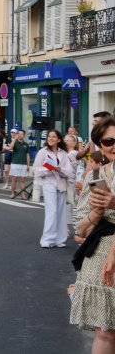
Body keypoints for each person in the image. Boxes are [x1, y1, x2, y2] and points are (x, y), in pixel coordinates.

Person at [69, 115, 115, 348]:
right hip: (98, 255)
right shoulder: (95, 176)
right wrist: (96, 214)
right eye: (108, 141)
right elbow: (82, 230)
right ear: (100, 145)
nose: (114, 145)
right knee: (104, 332)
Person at [33, 130, 74, 248]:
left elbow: (69, 170)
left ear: (59, 140)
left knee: (61, 212)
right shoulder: (42, 152)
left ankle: (59, 239)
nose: (50, 138)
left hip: (61, 184)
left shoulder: (63, 153)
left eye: (53, 137)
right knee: (52, 211)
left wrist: (59, 169)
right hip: (48, 183)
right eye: (49, 137)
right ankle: (47, 239)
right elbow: (36, 169)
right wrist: (48, 169)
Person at [65, 133, 83, 238]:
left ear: (74, 143)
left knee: (68, 207)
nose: (65, 142)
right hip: (68, 182)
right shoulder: (71, 153)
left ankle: (67, 229)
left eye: (67, 140)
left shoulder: (72, 153)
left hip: (69, 182)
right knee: (69, 206)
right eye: (65, 140)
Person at [5, 129, 30, 200]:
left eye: (21, 134)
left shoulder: (26, 145)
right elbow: (11, 147)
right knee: (14, 179)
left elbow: (27, 155)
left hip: (23, 163)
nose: (20, 135)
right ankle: (13, 193)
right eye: (19, 134)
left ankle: (23, 194)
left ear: (24, 135)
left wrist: (28, 165)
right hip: (15, 163)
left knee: (22, 180)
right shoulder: (15, 142)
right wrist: (14, 139)